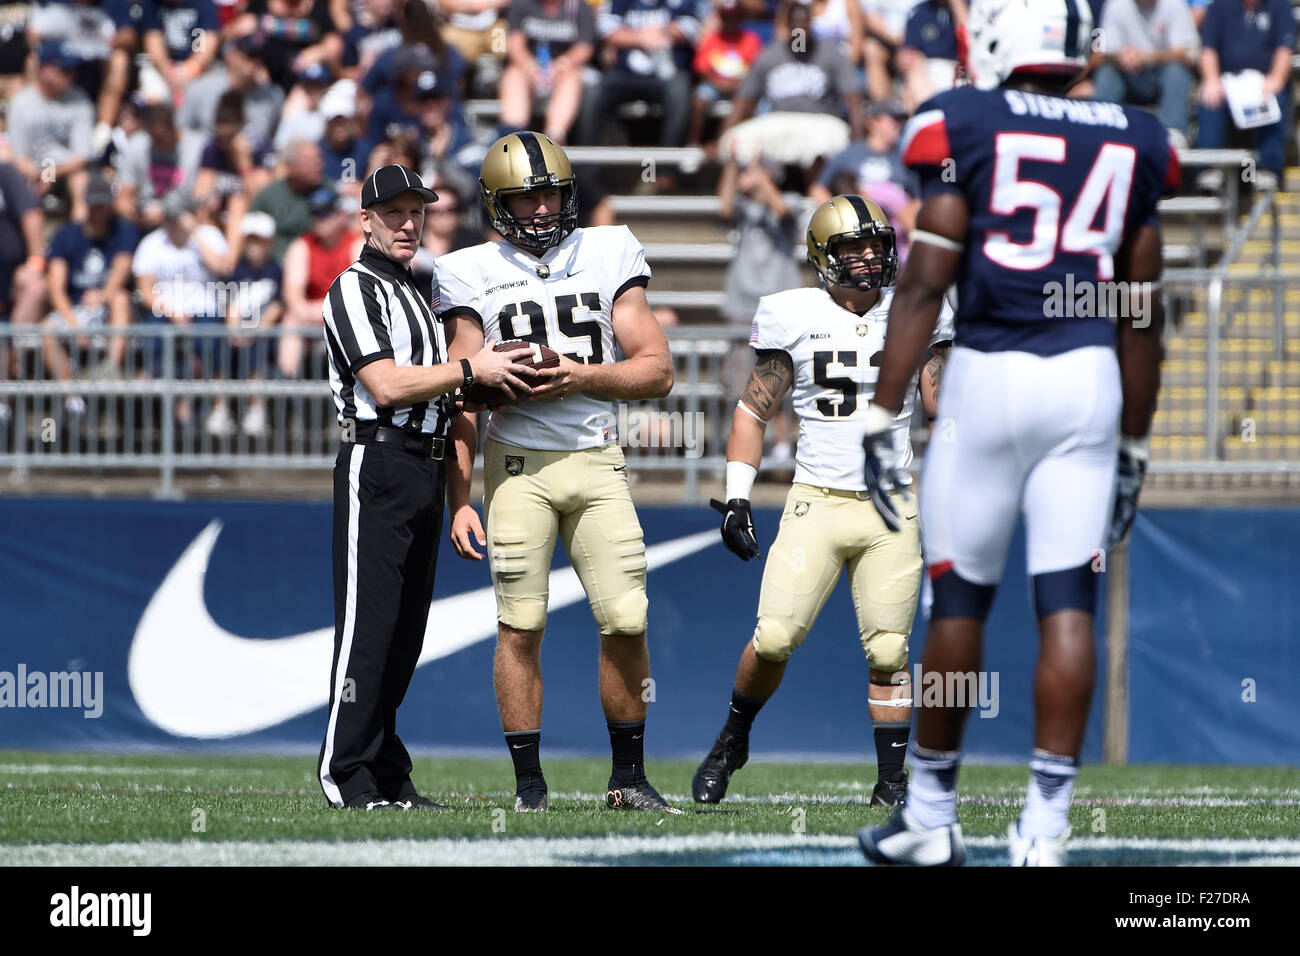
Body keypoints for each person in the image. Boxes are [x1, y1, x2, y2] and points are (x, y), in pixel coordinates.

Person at [857, 0, 1176, 866]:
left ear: (998, 37)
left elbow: (925, 284)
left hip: (991, 378)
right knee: (1067, 603)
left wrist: (883, 413)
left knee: (959, 601)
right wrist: (1136, 446)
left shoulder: (963, 120)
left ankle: (930, 813)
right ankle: (1045, 831)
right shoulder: (1137, 135)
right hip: (1089, 384)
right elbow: (1141, 315)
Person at [436, 132, 678, 814]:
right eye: (525, 197)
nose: (542, 209)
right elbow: (462, 391)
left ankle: (628, 778)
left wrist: (580, 375)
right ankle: (530, 788)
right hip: (516, 468)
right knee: (519, 624)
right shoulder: (467, 270)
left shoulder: (606, 250)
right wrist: (459, 498)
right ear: (498, 205)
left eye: (550, 193)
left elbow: (658, 368)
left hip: (596, 457)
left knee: (627, 618)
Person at [694, 196, 952, 807]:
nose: (868, 257)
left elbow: (943, 409)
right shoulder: (794, 313)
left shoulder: (918, 308)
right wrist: (737, 497)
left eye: (876, 245)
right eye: (851, 248)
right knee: (776, 636)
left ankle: (892, 784)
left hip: (891, 502)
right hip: (816, 498)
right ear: (822, 256)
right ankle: (733, 738)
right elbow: (753, 409)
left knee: (889, 647)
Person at [316, 163, 537, 810]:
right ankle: (346, 773)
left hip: (424, 463)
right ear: (366, 221)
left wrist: (499, 381)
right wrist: (469, 367)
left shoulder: (418, 289)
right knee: (368, 628)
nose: (409, 223)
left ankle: (387, 772)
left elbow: (446, 384)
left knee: (405, 634)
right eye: (394, 213)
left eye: (417, 212)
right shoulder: (353, 289)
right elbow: (385, 384)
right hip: (377, 463)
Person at [43, 176, 138, 400]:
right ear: (86, 203)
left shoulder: (123, 230)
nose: (98, 210)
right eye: (94, 204)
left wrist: (103, 295)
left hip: (107, 307)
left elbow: (121, 270)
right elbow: (55, 286)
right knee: (46, 329)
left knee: (121, 298)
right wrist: (74, 325)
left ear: (111, 204)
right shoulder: (66, 234)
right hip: (76, 309)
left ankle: (111, 370)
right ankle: (71, 398)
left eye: (102, 205)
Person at [1196, 0, 1295, 192]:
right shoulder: (1220, 6)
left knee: (1277, 96)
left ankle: (1267, 168)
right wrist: (1211, 79)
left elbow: (1284, 48)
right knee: (1209, 96)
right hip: (1228, 83)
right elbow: (1208, 49)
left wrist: (1276, 78)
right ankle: (1209, 169)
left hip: (1265, 82)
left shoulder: (1280, 6)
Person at [280, 186, 365, 379]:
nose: (319, 220)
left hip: (345, 314)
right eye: (315, 214)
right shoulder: (302, 246)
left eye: (325, 213)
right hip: (312, 317)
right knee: (291, 319)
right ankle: (287, 383)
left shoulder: (356, 244)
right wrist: (309, 312)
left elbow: (357, 293)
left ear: (340, 214)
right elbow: (292, 295)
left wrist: (325, 311)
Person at [1092, 0, 1199, 148]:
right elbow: (1104, 50)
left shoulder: (1175, 4)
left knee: (1176, 70)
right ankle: (1100, 128)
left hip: (1163, 77)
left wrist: (1145, 57)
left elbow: (1187, 53)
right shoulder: (1115, 5)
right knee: (1108, 71)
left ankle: (1173, 135)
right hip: (1127, 76)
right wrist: (1122, 56)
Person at [501, 0, 597, 145]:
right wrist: (531, 67)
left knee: (572, 76)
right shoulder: (522, 4)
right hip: (529, 66)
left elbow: (584, 48)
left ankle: (553, 139)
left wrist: (559, 65)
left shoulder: (578, 7)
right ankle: (514, 136)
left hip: (566, 67)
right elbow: (515, 45)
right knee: (514, 74)